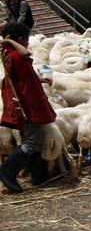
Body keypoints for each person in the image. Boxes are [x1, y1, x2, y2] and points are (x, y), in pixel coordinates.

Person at [0, 22, 57, 193]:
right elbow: (27, 53)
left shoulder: (11, 55)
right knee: (33, 141)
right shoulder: (16, 55)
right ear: (20, 39)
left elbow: (23, 76)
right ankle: (7, 172)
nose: (28, 44)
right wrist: (11, 42)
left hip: (26, 100)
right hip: (27, 104)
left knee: (33, 139)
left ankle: (39, 176)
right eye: (26, 39)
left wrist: (40, 80)